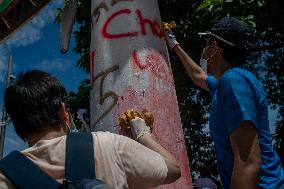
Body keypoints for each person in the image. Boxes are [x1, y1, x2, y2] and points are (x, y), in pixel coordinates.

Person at [0, 70, 181, 189]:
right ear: (63, 112)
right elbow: (173, 170)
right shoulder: (107, 144)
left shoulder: (5, 175)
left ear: (17, 126)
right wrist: (143, 135)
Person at [164, 17, 284, 188]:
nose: (204, 50)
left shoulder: (233, 80)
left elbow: (248, 160)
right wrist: (173, 43)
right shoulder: (226, 84)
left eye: (207, 43)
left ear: (215, 48)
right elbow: (199, 77)